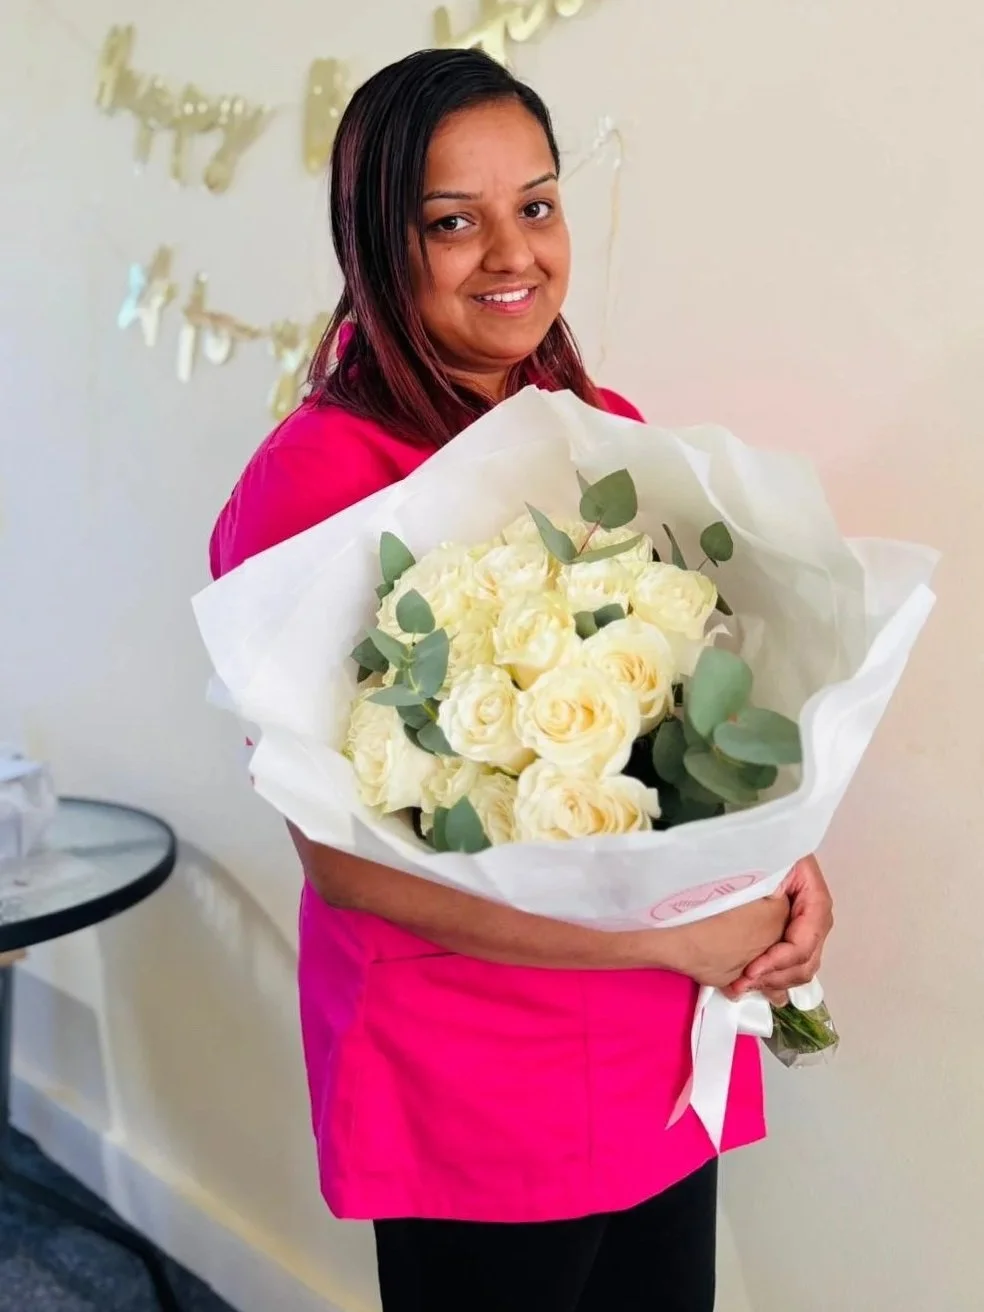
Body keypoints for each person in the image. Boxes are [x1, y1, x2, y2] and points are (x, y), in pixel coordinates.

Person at [209, 47, 833, 1312]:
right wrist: (677, 931)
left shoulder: (607, 429)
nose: (513, 254)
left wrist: (779, 859)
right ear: (375, 242)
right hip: (472, 1072)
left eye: (536, 205)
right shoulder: (315, 486)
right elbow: (347, 860)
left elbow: (685, 704)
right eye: (454, 221)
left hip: (656, 1038)